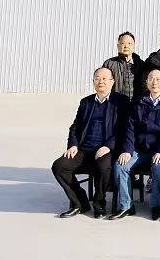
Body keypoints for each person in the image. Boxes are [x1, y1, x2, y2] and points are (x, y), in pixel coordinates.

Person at [51, 67, 130, 218]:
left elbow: (124, 129)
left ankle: (99, 204)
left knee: (103, 166)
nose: (101, 82)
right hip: (83, 148)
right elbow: (75, 127)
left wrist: (108, 146)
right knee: (59, 166)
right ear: (93, 81)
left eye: (104, 79)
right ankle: (79, 202)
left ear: (112, 82)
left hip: (105, 149)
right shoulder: (86, 102)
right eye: (97, 78)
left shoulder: (121, 102)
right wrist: (73, 145)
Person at [109, 69, 160, 221]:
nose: (155, 82)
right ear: (146, 82)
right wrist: (127, 150)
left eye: (158, 79)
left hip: (159, 150)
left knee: (158, 167)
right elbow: (130, 128)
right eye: (151, 79)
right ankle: (126, 205)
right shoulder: (138, 101)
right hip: (139, 148)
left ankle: (156, 205)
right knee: (120, 166)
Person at [102, 32, 145, 100]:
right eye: (123, 43)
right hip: (115, 104)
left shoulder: (142, 65)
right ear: (118, 45)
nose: (126, 46)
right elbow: (103, 85)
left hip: (137, 104)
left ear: (134, 46)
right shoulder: (109, 64)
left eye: (129, 43)